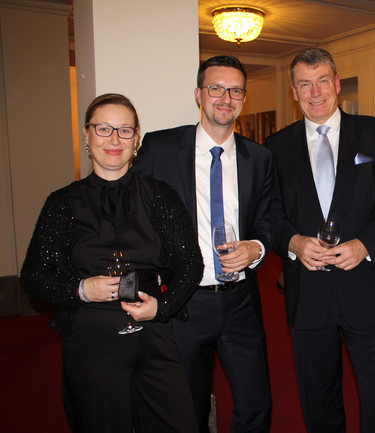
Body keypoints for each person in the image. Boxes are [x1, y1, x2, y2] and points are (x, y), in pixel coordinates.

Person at [20, 93, 202, 433]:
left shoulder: (161, 196)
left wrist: (162, 308)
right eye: (103, 129)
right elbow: (33, 277)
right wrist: (81, 289)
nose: (114, 139)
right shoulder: (61, 203)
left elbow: (190, 263)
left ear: (136, 139)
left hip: (152, 333)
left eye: (124, 130)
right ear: (87, 136)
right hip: (92, 338)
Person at [266, 48, 375, 433]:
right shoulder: (276, 147)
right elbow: (268, 215)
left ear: (336, 84)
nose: (315, 92)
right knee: (318, 399)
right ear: (293, 92)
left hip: (368, 288)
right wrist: (294, 243)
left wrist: (365, 245)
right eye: (304, 84)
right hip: (308, 293)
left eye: (322, 81)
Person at [131, 55, 273, 433]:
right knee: (186, 408)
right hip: (185, 302)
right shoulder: (161, 149)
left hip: (241, 301)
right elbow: (132, 215)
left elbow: (267, 217)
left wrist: (256, 247)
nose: (225, 97)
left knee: (256, 403)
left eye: (235, 90)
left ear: (244, 97)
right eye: (216, 88)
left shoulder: (259, 158)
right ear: (199, 94)